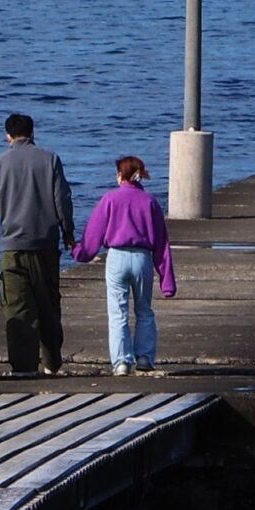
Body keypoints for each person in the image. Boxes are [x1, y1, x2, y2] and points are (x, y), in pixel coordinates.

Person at [0, 112, 75, 376]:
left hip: (12, 247)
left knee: (18, 307)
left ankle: (23, 367)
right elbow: (63, 202)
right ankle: (51, 362)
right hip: (45, 244)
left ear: (8, 136)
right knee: (48, 303)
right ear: (32, 133)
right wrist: (68, 232)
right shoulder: (50, 160)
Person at [71, 155, 178, 374]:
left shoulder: (109, 199)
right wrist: (167, 282)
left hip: (117, 257)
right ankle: (145, 358)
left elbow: (94, 235)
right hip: (142, 258)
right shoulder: (149, 202)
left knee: (118, 312)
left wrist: (79, 252)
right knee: (144, 310)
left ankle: (121, 362)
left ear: (121, 175)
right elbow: (161, 243)